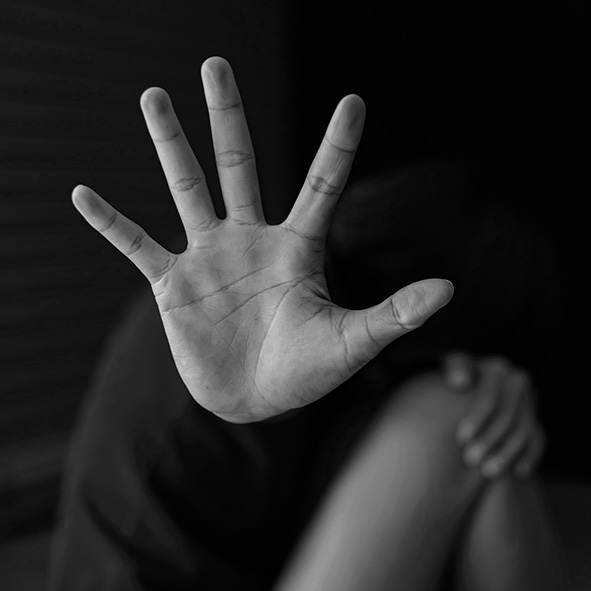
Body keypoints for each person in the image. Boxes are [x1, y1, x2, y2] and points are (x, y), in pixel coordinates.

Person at [49, 57, 567, 590]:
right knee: (461, 416)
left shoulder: (273, 294)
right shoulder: (238, 315)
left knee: (494, 457)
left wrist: (500, 390)